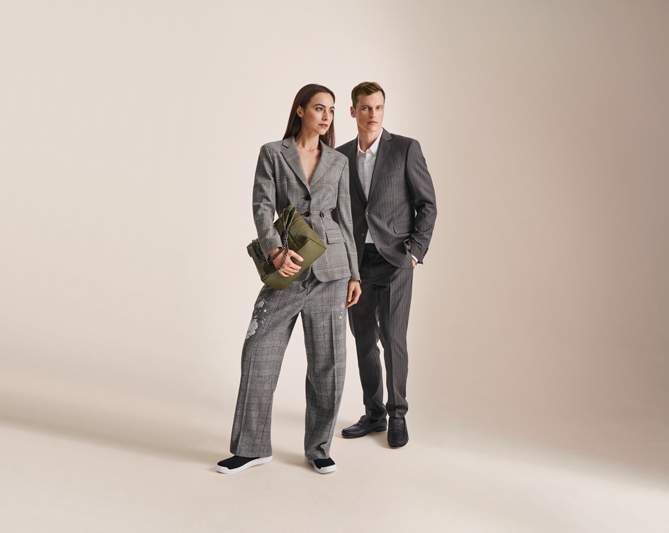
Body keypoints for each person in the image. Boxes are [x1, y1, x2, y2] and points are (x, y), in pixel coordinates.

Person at [217, 84, 361, 474]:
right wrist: (275, 251)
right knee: (257, 351)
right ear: (300, 110)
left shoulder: (338, 161)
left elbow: (346, 220)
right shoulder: (273, 153)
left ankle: (319, 448)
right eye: (319, 108)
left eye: (331, 110)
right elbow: (262, 206)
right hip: (287, 266)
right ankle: (251, 448)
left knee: (328, 364)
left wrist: (355, 274)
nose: (327, 116)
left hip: (332, 271)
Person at [336, 82, 437, 448]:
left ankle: (398, 415)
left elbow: (427, 204)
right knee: (363, 339)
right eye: (365, 108)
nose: (373, 114)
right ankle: (374, 413)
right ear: (353, 112)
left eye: (378, 107)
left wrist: (415, 251)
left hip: (395, 260)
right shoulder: (340, 156)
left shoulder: (405, 148)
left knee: (393, 338)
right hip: (356, 264)